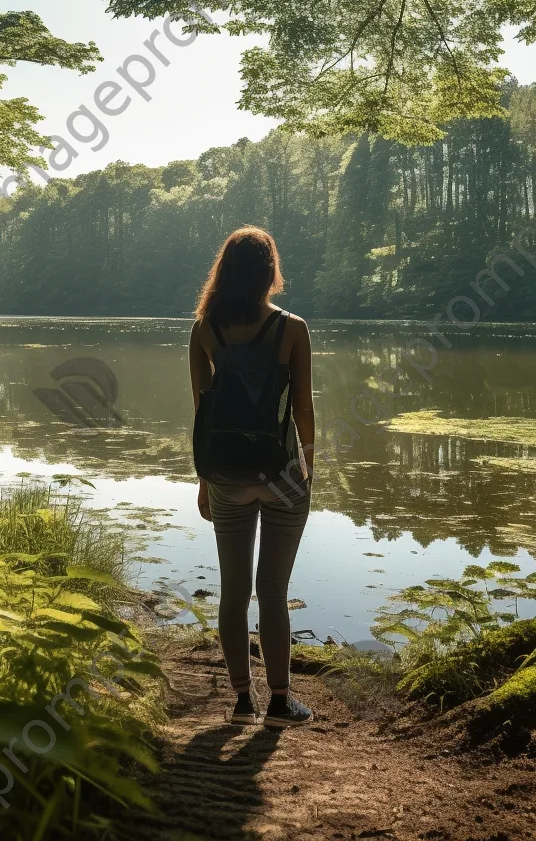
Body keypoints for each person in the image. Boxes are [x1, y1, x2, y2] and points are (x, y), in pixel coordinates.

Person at [188, 226, 315, 728]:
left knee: (233, 591)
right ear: (269, 272)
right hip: (282, 474)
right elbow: (303, 406)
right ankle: (281, 704)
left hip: (225, 474)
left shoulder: (204, 329)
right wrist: (309, 464)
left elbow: (202, 409)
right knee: (274, 591)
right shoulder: (293, 328)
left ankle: (242, 702)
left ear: (224, 271)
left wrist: (205, 478)